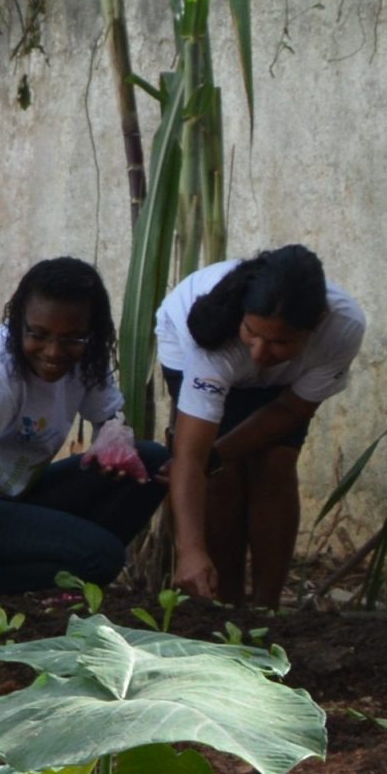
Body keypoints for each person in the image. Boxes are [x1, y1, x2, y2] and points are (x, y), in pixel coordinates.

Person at [0, 257, 162, 595]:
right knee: (103, 557)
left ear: (91, 333)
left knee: (151, 460)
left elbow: (108, 417)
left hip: (14, 496)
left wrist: (111, 445)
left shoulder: (88, 357)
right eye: (38, 334)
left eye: (72, 338)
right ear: (18, 324)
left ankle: (64, 565)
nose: (54, 351)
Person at [154, 245, 365, 604]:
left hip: (286, 385)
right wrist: (190, 552)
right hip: (203, 349)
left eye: (280, 341)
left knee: (275, 465)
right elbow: (190, 458)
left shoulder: (342, 328)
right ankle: (225, 602)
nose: (260, 353)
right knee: (220, 479)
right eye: (253, 332)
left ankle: (268, 609)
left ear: (315, 325)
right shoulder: (214, 333)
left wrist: (218, 454)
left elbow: (290, 410)